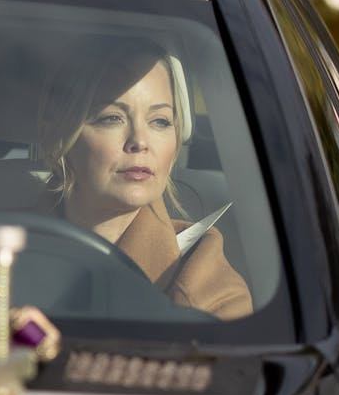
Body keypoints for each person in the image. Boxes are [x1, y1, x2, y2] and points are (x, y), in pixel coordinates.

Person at [34, 36, 252, 319]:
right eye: (112, 117)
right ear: (58, 133)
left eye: (160, 121)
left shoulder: (204, 278)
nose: (140, 141)